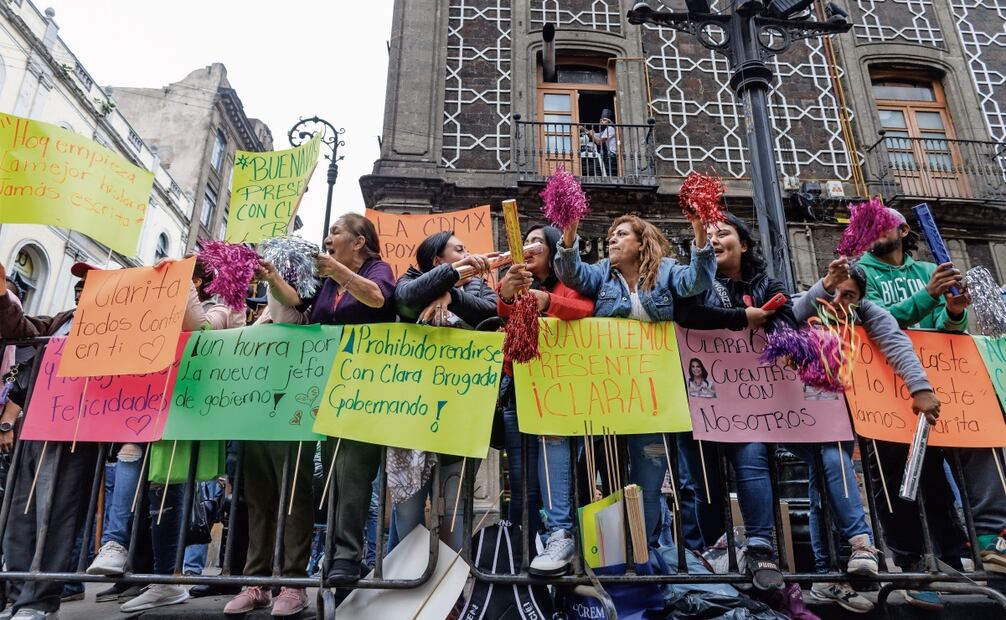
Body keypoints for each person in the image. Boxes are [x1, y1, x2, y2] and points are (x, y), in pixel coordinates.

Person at [224, 214, 396, 615]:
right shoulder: (324, 281)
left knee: (350, 477)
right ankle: (263, 581)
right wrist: (270, 277)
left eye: (336, 231)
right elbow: (297, 302)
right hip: (313, 392)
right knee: (279, 484)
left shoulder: (376, 269)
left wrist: (335, 269)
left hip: (359, 394)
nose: (328, 236)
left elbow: (378, 298)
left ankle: (342, 563)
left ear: (360, 241)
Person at [858, 209, 1003, 609]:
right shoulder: (859, 273)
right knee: (896, 478)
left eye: (878, 223)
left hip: (943, 383)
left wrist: (955, 310)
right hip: (884, 390)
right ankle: (912, 565)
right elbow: (868, 321)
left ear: (904, 230)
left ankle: (977, 547)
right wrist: (929, 296)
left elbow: (947, 329)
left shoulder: (926, 268)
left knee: (970, 460)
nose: (868, 231)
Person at [555, 211, 715, 548]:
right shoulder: (601, 274)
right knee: (610, 479)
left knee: (647, 485)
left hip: (653, 401)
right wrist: (569, 235)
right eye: (611, 235)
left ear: (642, 243)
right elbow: (571, 274)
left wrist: (700, 233)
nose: (612, 239)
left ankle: (644, 556)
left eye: (622, 234)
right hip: (609, 397)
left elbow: (696, 282)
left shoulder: (668, 270)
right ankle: (614, 557)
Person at [791, 258, 939, 612]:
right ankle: (860, 543)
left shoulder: (868, 313)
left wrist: (919, 386)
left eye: (850, 295)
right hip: (796, 416)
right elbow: (793, 314)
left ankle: (829, 578)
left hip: (838, 420)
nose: (841, 300)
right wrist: (825, 286)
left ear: (860, 300)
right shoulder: (809, 299)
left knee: (821, 487)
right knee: (831, 459)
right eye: (837, 292)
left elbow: (895, 342)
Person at [673, 213, 794, 591]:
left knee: (753, 462)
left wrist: (778, 329)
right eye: (707, 236)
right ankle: (709, 553)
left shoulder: (765, 285)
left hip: (750, 401)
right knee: (702, 482)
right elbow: (686, 312)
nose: (713, 240)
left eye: (722, 233)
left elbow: (786, 317)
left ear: (743, 243)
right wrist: (743, 317)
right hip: (701, 400)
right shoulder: (694, 280)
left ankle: (761, 548)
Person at [116, 255, 244, 613]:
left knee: (174, 488)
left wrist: (181, 280)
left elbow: (200, 330)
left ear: (198, 282)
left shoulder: (220, 307)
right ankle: (162, 578)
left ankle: (172, 577)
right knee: (159, 488)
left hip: (194, 407)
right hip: (166, 406)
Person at [0, 260, 102, 620]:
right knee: (20, 514)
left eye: (90, 283)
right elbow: (20, 329)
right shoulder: (60, 320)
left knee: (55, 515)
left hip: (75, 432)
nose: (80, 289)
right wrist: (2, 293)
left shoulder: (116, 327)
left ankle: (40, 600)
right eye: (78, 284)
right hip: (37, 425)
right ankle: (17, 594)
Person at [497, 225, 595, 576]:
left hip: (558, 396)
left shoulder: (570, 282)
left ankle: (559, 537)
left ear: (554, 248)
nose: (529, 245)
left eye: (538, 240)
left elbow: (585, 309)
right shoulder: (516, 282)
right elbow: (504, 321)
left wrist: (548, 302)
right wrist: (507, 297)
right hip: (517, 392)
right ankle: (519, 551)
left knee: (555, 471)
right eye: (526, 241)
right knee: (522, 478)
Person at [392, 231, 498, 551]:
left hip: (462, 413)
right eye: (460, 250)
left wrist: (451, 297)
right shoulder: (409, 279)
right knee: (408, 505)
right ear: (438, 260)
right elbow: (407, 300)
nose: (470, 253)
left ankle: (452, 591)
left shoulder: (481, 287)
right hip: (414, 413)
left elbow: (490, 317)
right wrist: (452, 275)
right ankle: (406, 584)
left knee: (454, 506)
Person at [582, 109, 618, 176]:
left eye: (604, 120)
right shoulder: (604, 131)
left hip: (612, 157)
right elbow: (595, 135)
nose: (601, 121)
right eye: (601, 120)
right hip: (608, 156)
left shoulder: (610, 129)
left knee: (611, 175)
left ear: (609, 121)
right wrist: (583, 129)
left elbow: (599, 142)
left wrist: (592, 134)